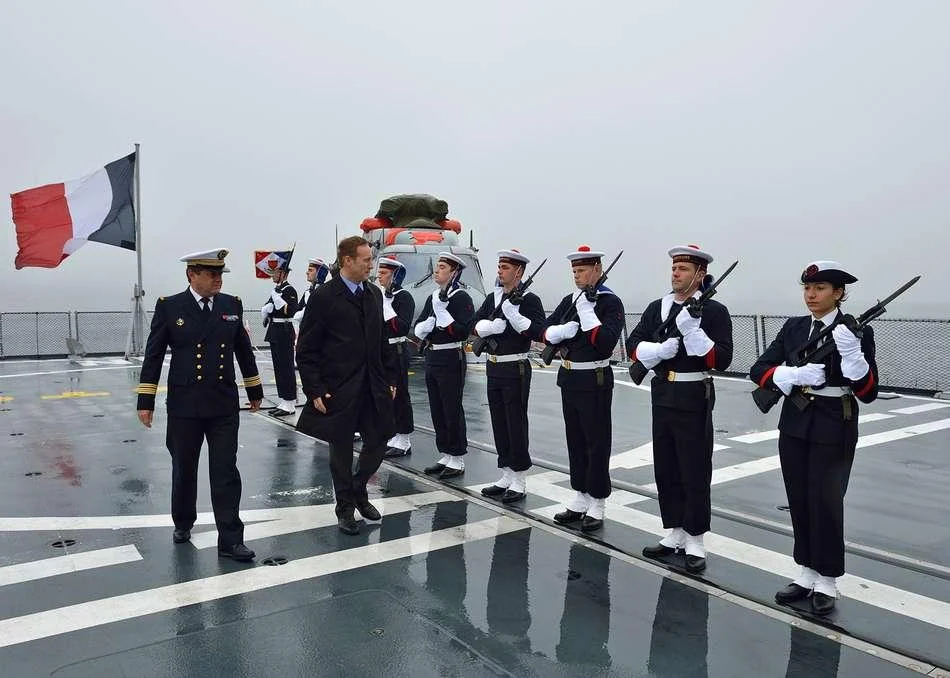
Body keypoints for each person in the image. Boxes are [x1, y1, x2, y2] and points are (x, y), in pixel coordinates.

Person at [750, 260, 878, 616]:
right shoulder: (794, 328)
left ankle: (828, 580)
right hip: (794, 422)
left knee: (826, 501)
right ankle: (806, 572)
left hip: (834, 424)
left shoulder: (857, 332)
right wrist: (788, 373)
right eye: (807, 288)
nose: (811, 295)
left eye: (820, 289)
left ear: (838, 294)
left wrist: (854, 357)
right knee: (800, 499)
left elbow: (868, 391)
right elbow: (758, 369)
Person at [136, 248, 262, 562]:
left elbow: (243, 350)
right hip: (184, 405)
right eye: (211, 274)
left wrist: (254, 388)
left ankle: (231, 540)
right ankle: (183, 521)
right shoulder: (170, 307)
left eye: (220, 274)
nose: (218, 279)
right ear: (192, 275)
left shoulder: (231, 305)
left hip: (222, 403)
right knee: (184, 470)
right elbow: (153, 355)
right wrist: (145, 401)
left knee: (225, 472)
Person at [627, 244, 734, 574]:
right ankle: (674, 532)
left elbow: (723, 359)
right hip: (663, 391)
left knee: (695, 468)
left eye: (684, 269)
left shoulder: (713, 311)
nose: (676, 273)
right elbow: (633, 346)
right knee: (667, 466)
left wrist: (694, 333)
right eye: (674, 268)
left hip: (693, 393)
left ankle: (696, 539)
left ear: (700, 275)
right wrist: (659, 350)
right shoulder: (656, 308)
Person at [295, 236, 398, 535]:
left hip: (373, 384)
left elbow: (382, 341)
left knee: (379, 440)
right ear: (347, 261)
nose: (371, 265)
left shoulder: (373, 295)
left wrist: (391, 378)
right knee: (340, 450)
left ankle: (358, 489)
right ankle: (345, 507)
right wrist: (313, 389)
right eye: (366, 260)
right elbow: (307, 349)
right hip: (338, 387)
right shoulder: (325, 296)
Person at [544, 246, 624, 531]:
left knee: (596, 442)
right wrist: (559, 332)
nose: (577, 276)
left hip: (595, 380)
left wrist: (587, 313)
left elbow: (605, 341)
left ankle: (598, 501)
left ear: (598, 271)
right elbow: (546, 329)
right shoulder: (571, 299)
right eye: (574, 271)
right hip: (570, 379)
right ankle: (580, 495)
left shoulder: (609, 303)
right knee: (575, 441)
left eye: (582, 270)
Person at [472, 249, 546, 502]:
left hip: (516, 367)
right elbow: (474, 323)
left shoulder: (529, 300)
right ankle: (505, 472)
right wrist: (488, 327)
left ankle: (519, 478)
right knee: (499, 421)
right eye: (500, 266)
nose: (500, 271)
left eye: (505, 267)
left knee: (515, 422)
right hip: (494, 367)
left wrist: (516, 318)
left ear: (519, 272)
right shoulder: (493, 299)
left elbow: (539, 332)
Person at [413, 252, 475, 479]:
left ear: (454, 272)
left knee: (451, 407)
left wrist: (441, 315)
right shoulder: (433, 297)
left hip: (451, 356)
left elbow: (461, 330)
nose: (436, 271)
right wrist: (427, 324)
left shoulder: (461, 298)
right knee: (437, 407)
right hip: (433, 356)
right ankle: (446, 453)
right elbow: (421, 324)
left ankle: (457, 457)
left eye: (441, 267)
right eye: (437, 267)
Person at [376, 257, 417, 458]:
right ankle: (393, 434)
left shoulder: (404, 297)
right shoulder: (380, 296)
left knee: (400, 394)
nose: (379, 276)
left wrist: (386, 306)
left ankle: (404, 438)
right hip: (383, 350)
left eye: (383, 273)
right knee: (385, 395)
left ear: (394, 275)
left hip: (397, 350)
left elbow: (401, 326)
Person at [261, 261, 298, 416]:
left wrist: (278, 300)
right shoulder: (277, 289)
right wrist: (266, 310)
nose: (273, 275)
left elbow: (291, 311)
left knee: (286, 367)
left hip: (284, 331)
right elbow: (269, 308)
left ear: (283, 274)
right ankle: (283, 400)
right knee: (278, 368)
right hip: (275, 331)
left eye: (275, 272)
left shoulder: (290, 290)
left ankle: (290, 402)